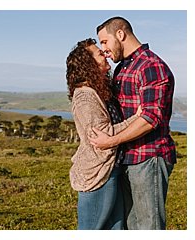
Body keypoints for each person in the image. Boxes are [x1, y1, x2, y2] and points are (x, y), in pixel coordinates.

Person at [90, 16, 176, 230]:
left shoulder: (151, 66)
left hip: (149, 157)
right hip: (127, 159)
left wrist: (111, 141)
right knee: (130, 226)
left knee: (149, 227)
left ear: (120, 34)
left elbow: (150, 119)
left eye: (104, 42)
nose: (104, 50)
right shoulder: (123, 68)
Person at [66, 38, 139, 230]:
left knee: (116, 228)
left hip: (109, 170)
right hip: (97, 173)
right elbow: (101, 136)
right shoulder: (85, 96)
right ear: (88, 63)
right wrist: (138, 119)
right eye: (99, 53)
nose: (105, 54)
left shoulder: (98, 91)